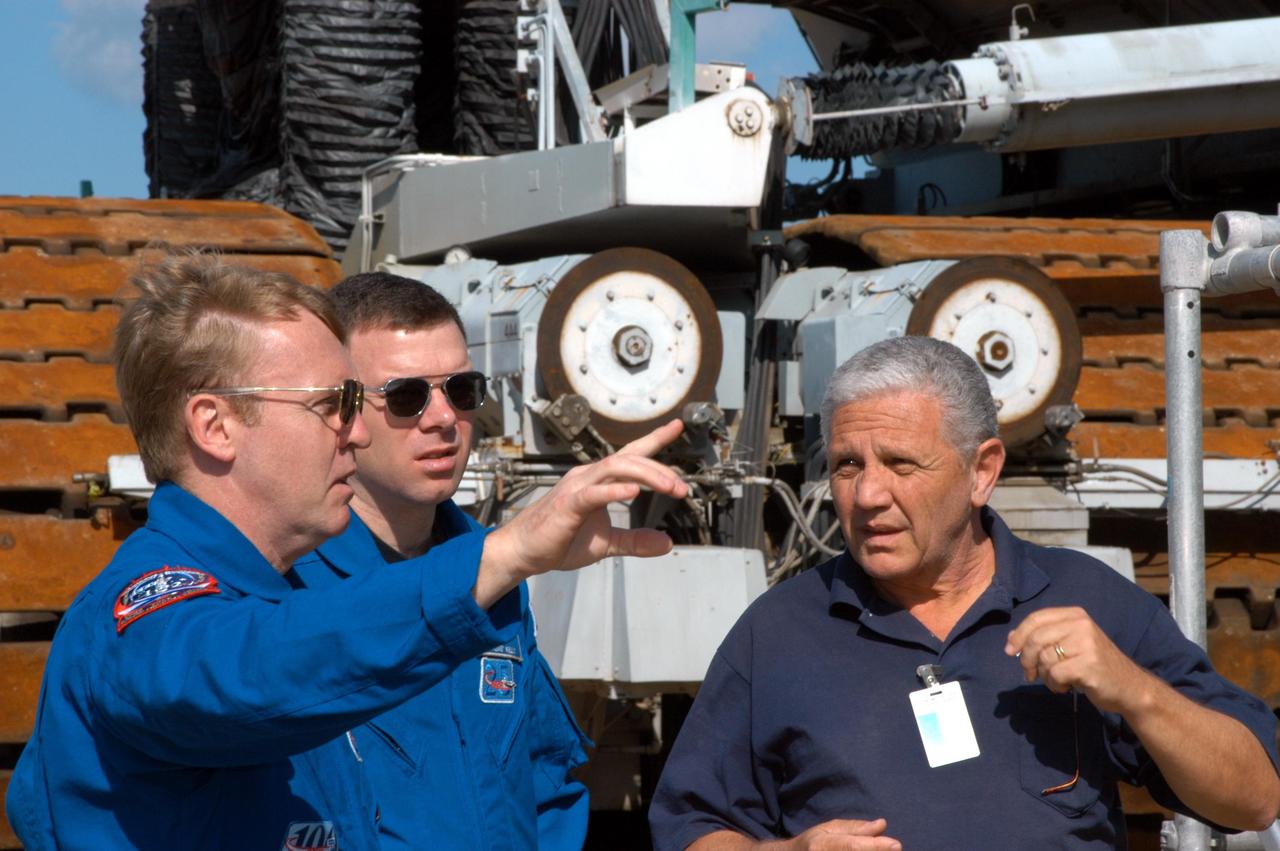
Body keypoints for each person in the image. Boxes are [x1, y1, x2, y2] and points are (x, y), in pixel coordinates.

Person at [6, 255, 687, 850]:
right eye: (334, 403)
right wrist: (502, 555)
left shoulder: (272, 596)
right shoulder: (146, 613)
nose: (358, 433)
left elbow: (537, 780)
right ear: (214, 426)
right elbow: (255, 669)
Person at [649, 336, 1280, 851]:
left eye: (900, 464)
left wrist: (1133, 689)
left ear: (982, 472)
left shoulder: (1090, 602)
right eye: (847, 465)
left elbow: (1255, 797)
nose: (867, 496)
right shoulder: (777, 633)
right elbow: (689, 831)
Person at [289, 271, 590, 850]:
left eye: (461, 389)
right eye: (405, 396)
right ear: (341, 410)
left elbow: (546, 773)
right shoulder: (288, 589)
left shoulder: (494, 575)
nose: (443, 418)